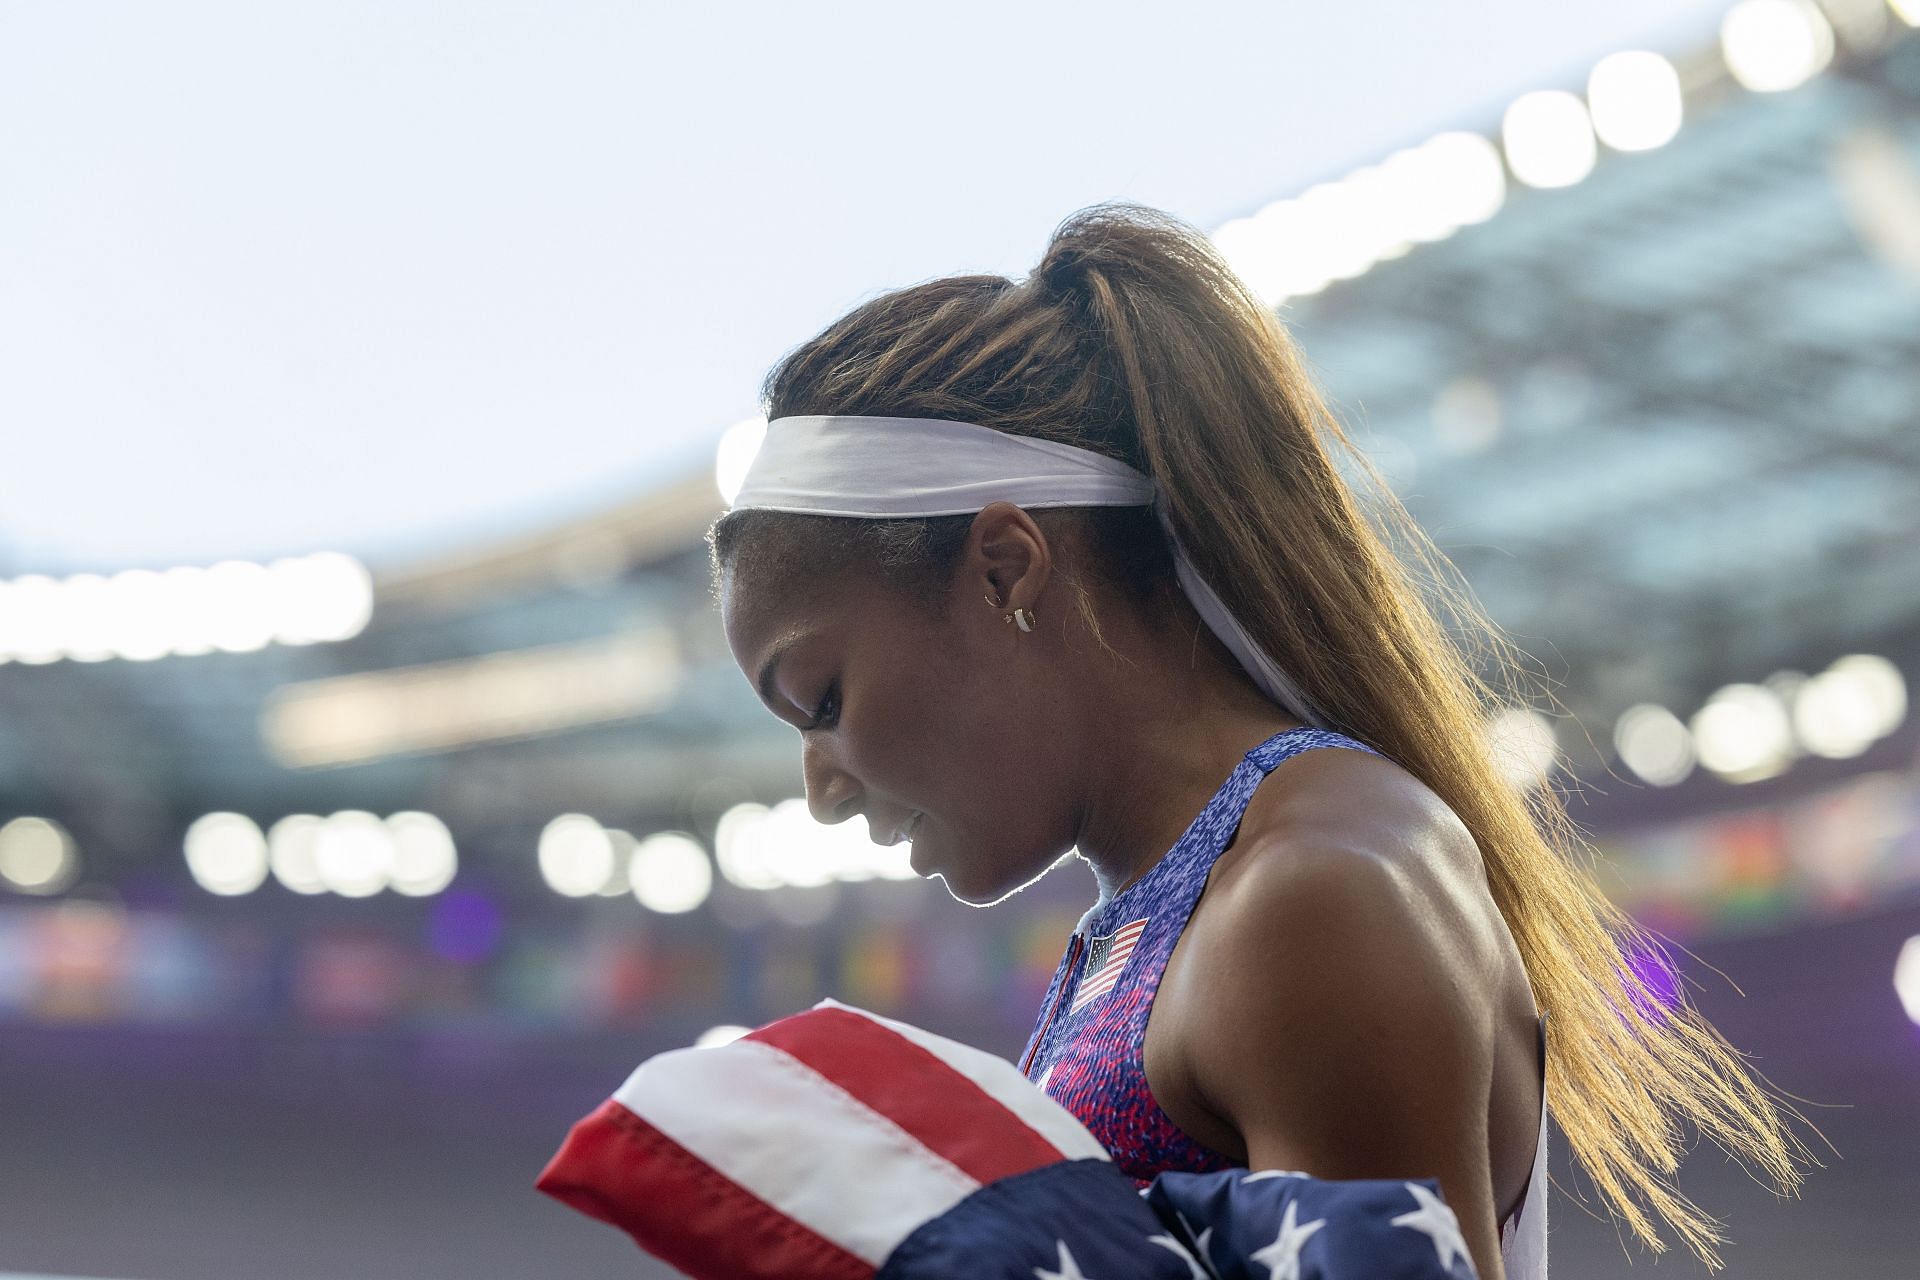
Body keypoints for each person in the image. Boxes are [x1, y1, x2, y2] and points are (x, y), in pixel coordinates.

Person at [709, 202, 1810, 1279]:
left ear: (1006, 567)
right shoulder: (1153, 925)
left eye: (821, 698)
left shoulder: (1312, 894)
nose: (820, 791)